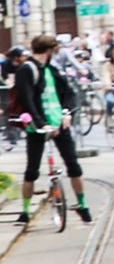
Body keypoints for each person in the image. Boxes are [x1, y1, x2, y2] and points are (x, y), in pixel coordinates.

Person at [11, 36, 90, 223]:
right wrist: (39, 123)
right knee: (32, 170)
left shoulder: (51, 69)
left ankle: (83, 205)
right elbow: (26, 99)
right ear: (49, 50)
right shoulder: (27, 70)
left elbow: (69, 93)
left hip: (59, 123)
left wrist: (67, 113)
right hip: (37, 126)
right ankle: (25, 211)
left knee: (73, 166)